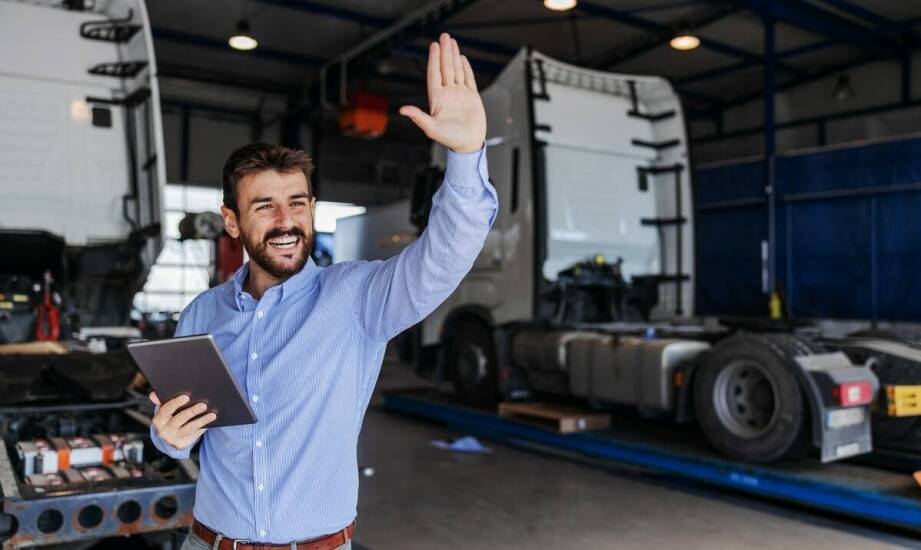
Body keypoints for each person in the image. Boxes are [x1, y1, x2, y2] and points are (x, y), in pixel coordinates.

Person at [149, 32, 496, 550]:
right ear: (232, 221)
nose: (286, 221)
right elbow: (182, 427)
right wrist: (166, 437)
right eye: (265, 205)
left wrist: (466, 156)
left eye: (299, 202)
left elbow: (444, 257)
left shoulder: (357, 299)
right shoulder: (203, 313)